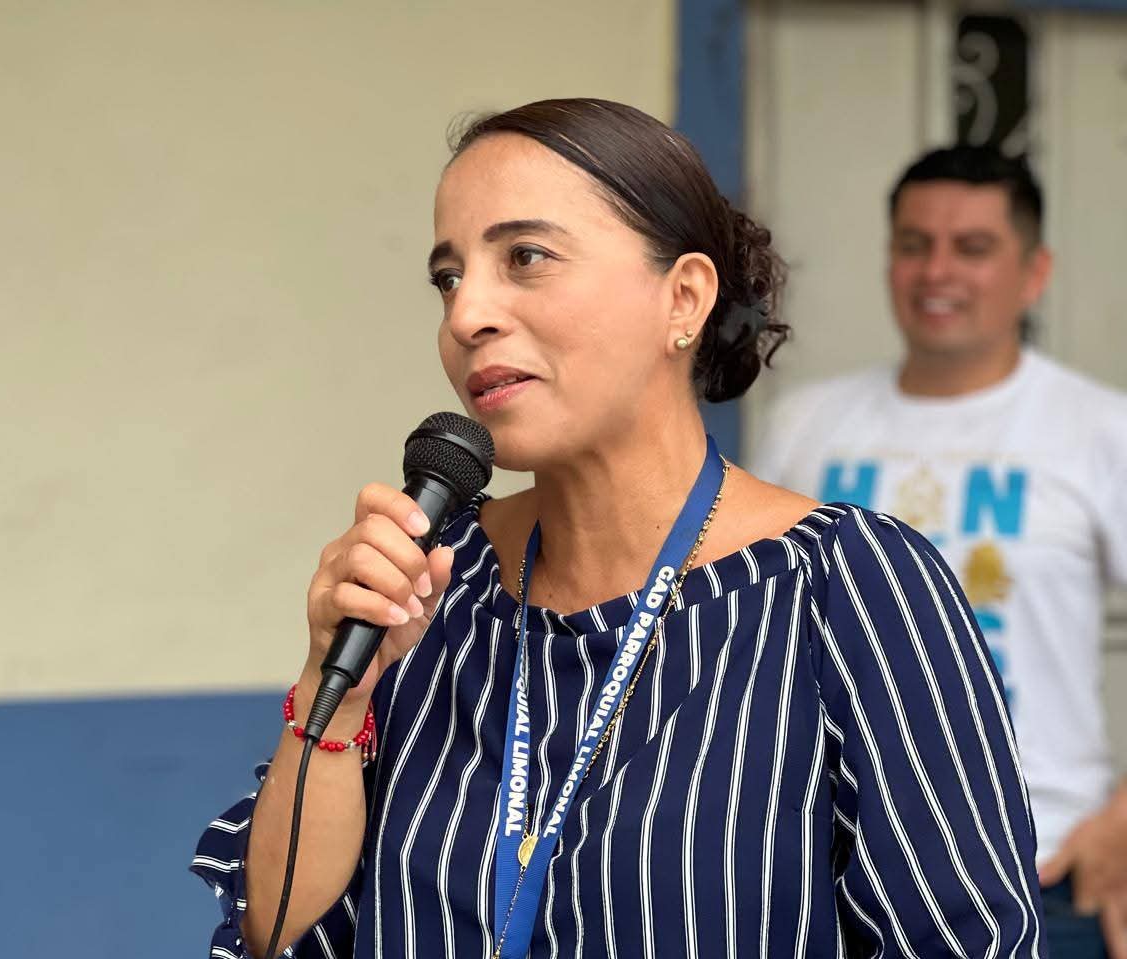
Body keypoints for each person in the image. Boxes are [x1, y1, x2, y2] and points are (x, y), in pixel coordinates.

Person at [193, 101, 1046, 958]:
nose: (465, 314)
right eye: (448, 277)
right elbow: (278, 936)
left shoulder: (848, 587)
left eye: (525, 257)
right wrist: (334, 687)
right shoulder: (429, 590)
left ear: (684, 297)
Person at [753, 143, 1127, 958]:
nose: (937, 272)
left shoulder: (1101, 430)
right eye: (914, 244)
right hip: (827, 871)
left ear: (1034, 272)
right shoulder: (804, 425)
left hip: (1043, 870)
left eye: (973, 247)